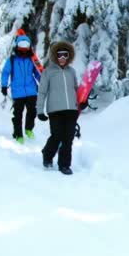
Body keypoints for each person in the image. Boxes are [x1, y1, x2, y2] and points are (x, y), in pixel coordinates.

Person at [36, 41, 78, 175]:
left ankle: (64, 165)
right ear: (55, 56)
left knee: (68, 138)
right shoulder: (48, 72)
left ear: (69, 56)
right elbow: (42, 92)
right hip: (55, 110)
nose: (62, 58)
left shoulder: (72, 72)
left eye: (65, 55)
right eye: (59, 55)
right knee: (57, 136)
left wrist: (81, 103)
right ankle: (47, 154)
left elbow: (76, 90)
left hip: (71, 110)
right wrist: (39, 110)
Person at [0, 35, 41, 144]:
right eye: (21, 45)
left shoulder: (32, 59)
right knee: (18, 114)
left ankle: (28, 129)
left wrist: (43, 81)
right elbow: (5, 73)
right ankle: (18, 134)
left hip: (31, 90)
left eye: (26, 46)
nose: (23, 48)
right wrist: (4, 85)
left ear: (29, 47)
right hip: (17, 92)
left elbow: (38, 72)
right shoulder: (12, 60)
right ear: (17, 46)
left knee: (32, 111)